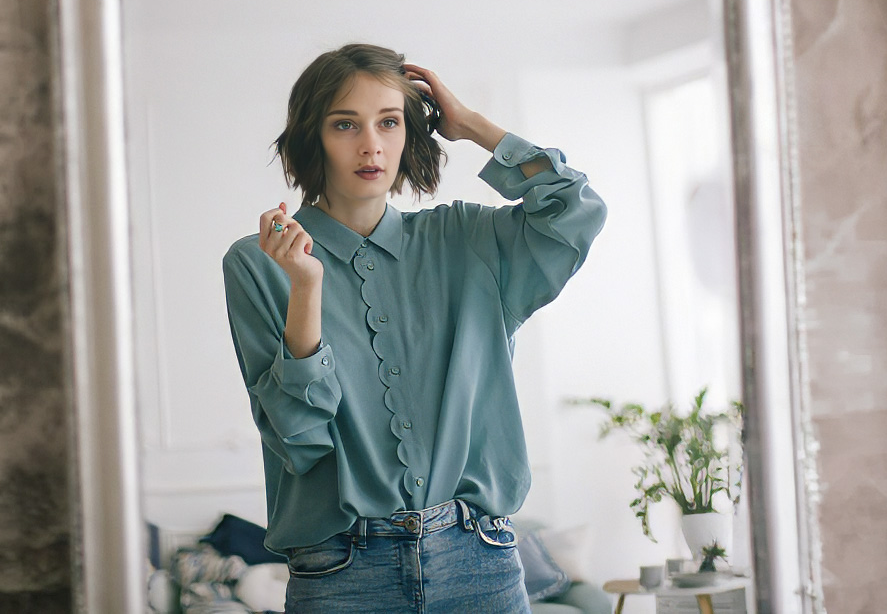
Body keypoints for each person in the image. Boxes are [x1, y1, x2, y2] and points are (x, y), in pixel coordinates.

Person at [222, 43, 606, 613]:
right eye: (344, 123)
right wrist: (305, 288)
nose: (371, 144)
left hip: (480, 564)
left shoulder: (470, 240)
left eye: (390, 121)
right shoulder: (259, 263)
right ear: (313, 137)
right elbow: (298, 440)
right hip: (341, 575)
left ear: (411, 134)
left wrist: (472, 125)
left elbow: (574, 209)